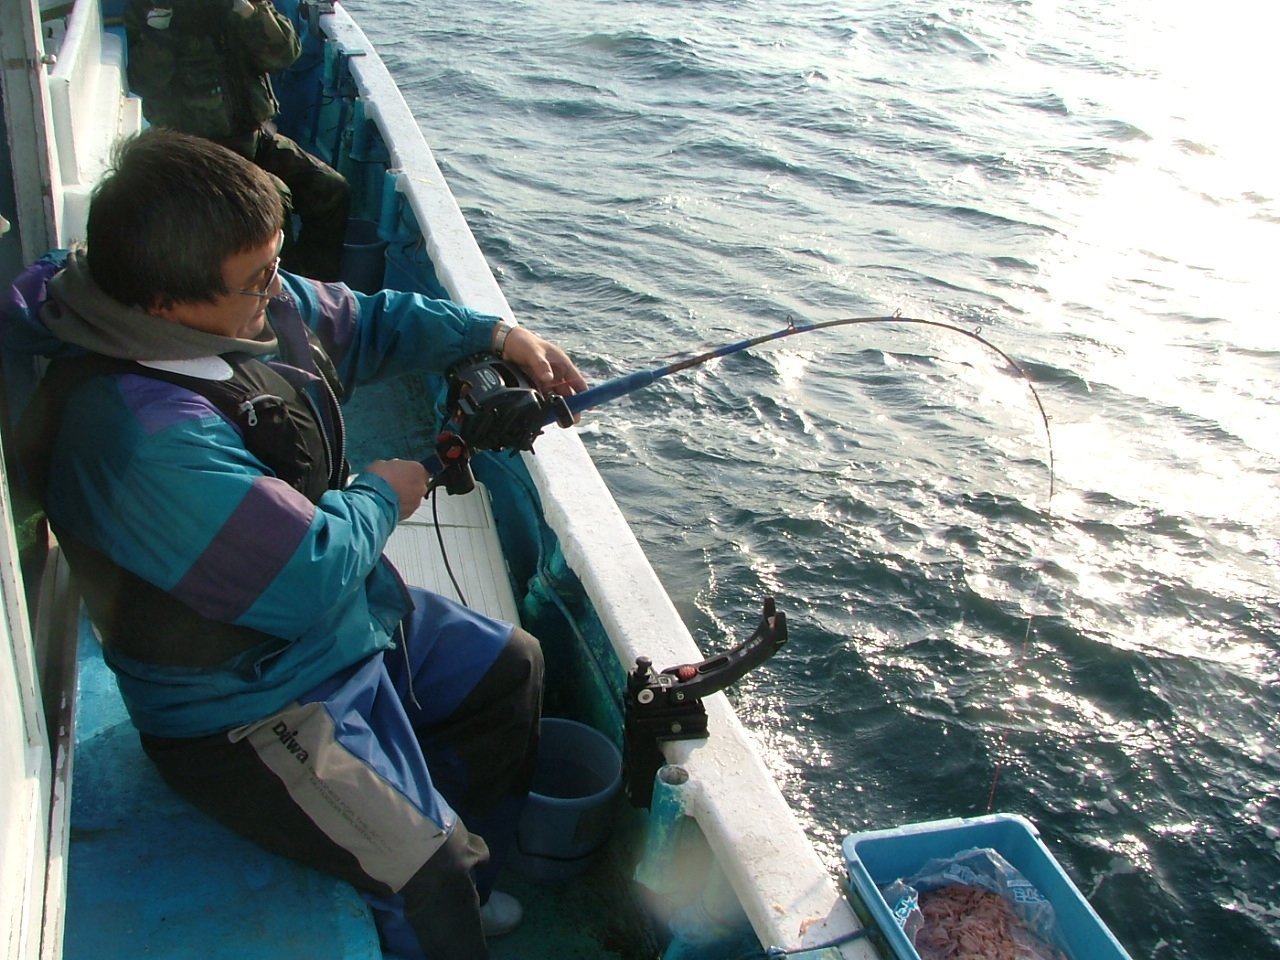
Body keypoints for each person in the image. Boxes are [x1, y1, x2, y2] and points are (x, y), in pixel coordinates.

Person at [3, 128, 588, 959]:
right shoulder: (139, 437)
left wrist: (494, 337)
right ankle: (443, 877)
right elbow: (304, 575)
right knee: (427, 880)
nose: (280, 290)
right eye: (258, 279)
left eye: (276, 263)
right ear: (165, 304)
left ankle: (462, 851)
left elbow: (358, 318)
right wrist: (384, 493)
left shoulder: (250, 304)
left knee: (511, 668)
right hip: (246, 706)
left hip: (346, 624)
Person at [124, 0, 351, 280]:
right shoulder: (150, 6)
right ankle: (275, 302)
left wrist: (251, 12)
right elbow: (144, 81)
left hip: (253, 136)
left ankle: (312, 286)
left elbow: (284, 55)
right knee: (274, 199)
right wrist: (160, 29)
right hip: (196, 152)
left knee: (331, 189)